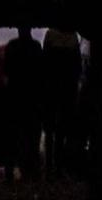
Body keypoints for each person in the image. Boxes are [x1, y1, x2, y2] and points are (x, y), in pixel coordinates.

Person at [3, 26, 45, 177]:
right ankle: (30, 168)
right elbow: (41, 72)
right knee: (31, 134)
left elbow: (7, 70)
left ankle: (9, 168)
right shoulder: (36, 47)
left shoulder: (12, 46)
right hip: (31, 96)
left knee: (12, 133)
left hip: (15, 94)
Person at [42, 27, 82, 175]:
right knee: (62, 130)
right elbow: (77, 67)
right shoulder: (73, 37)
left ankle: (49, 164)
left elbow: (44, 64)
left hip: (52, 88)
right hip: (67, 89)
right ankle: (59, 164)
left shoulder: (50, 35)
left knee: (50, 129)